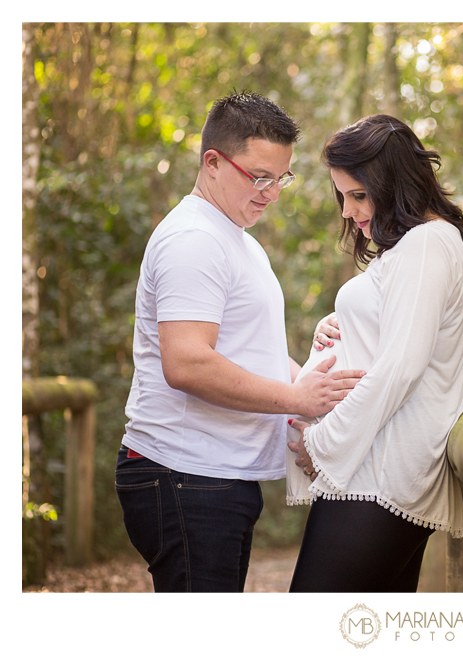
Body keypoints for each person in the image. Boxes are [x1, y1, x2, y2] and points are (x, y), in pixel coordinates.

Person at [115, 91, 365, 593]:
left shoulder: (237, 239)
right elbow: (186, 363)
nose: (272, 192)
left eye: (281, 178)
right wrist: (295, 398)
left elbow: (252, 353)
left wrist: (318, 383)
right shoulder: (195, 239)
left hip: (210, 478)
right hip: (185, 474)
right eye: (259, 177)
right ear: (212, 162)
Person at [285, 114, 463, 592]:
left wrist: (321, 444)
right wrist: (340, 326)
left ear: (395, 183)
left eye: (359, 195)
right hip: (370, 469)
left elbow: (401, 368)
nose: (347, 211)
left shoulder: (427, 242)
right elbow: (392, 341)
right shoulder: (409, 248)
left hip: (380, 474)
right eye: (342, 196)